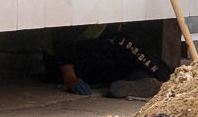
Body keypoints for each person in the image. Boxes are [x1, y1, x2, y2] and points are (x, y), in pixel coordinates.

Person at [42, 23, 172, 96]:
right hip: (65, 70)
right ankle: (169, 81)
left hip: (86, 74)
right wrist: (70, 78)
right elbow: (63, 39)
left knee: (128, 49)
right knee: (125, 42)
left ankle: (139, 79)